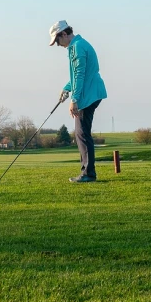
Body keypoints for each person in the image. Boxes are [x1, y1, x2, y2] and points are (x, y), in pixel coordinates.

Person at [49, 20, 107, 183]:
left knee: (82, 134)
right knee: (82, 133)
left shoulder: (77, 47)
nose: (58, 45)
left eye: (57, 40)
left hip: (88, 94)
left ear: (64, 34)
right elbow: (76, 75)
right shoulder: (78, 44)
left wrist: (74, 100)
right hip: (91, 92)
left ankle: (88, 173)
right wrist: (66, 87)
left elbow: (80, 74)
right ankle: (88, 172)